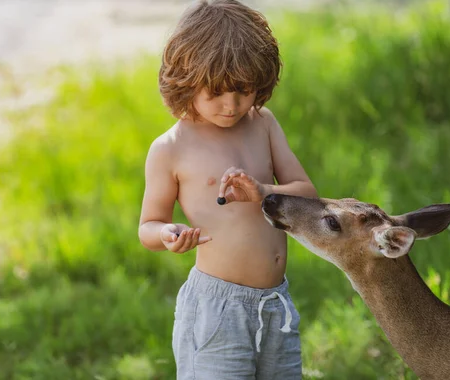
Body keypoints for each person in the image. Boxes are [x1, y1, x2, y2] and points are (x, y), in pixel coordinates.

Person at [137, 1, 317, 378]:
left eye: (243, 90)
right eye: (216, 92)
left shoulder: (263, 124)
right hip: (217, 310)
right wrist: (168, 234)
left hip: (275, 303)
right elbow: (149, 225)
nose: (232, 104)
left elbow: (308, 196)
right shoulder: (171, 148)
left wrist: (265, 191)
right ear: (186, 80)